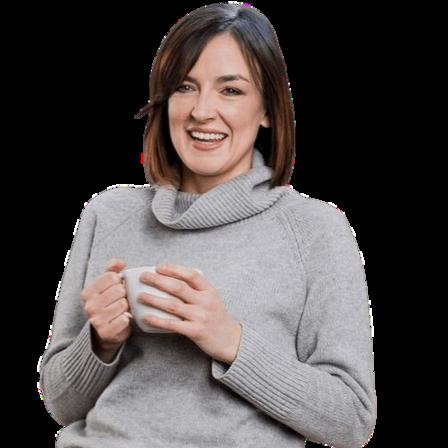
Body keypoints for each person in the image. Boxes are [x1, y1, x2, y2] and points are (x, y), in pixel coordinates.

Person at [39, 3, 377, 447]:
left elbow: (351, 419)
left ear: (267, 109)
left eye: (230, 90)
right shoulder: (109, 213)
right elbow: (62, 405)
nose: (201, 110)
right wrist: (100, 341)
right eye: (185, 87)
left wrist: (229, 341)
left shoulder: (315, 230)